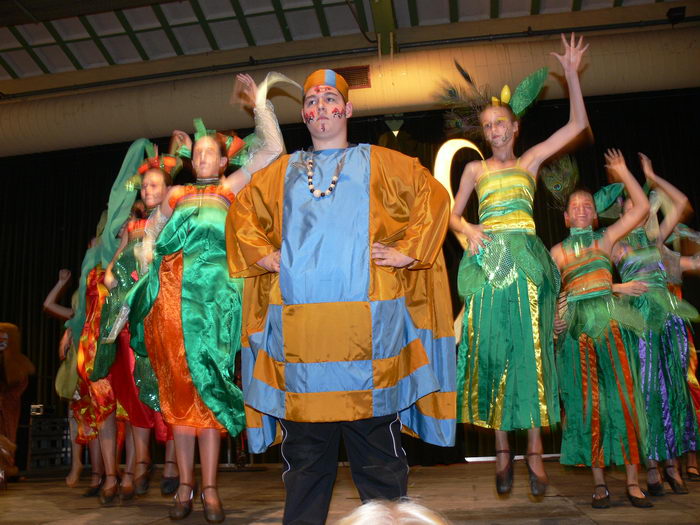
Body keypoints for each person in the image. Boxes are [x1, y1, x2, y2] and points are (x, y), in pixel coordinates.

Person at [226, 69, 455, 525]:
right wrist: (263, 256)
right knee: (306, 467)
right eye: (311, 100)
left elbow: (434, 197)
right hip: (300, 350)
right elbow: (242, 214)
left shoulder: (385, 164)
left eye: (330, 98)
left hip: (371, 347)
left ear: (347, 109)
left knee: (381, 467)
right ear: (305, 115)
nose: (319, 107)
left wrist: (408, 253)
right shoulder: (280, 173)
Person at [126, 73, 288, 523]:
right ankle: (184, 487)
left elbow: (273, 150)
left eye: (209, 153)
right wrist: (144, 287)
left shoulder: (228, 189)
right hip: (173, 307)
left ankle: (212, 489)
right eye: (195, 153)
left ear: (221, 163)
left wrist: (258, 103)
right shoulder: (175, 194)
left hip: (217, 307)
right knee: (180, 394)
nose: (201, 158)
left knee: (210, 392)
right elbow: (149, 245)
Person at [449, 33, 589, 496]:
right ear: (484, 133)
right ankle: (502, 449)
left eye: (501, 123)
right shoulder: (475, 170)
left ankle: (534, 453)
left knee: (530, 354)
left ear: (515, 127)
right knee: (494, 351)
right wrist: (467, 230)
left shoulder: (529, 162)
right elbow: (451, 215)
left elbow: (576, 126)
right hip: (491, 262)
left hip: (527, 261)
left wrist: (570, 74)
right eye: (488, 126)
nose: (495, 131)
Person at [549, 149, 651, 508]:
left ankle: (634, 482)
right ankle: (599, 484)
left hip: (610, 325)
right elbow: (545, 296)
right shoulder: (557, 252)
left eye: (587, 205)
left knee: (623, 400)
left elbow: (641, 209)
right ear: (565, 217)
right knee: (587, 404)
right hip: (577, 335)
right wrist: (555, 320)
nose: (580, 208)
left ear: (594, 214)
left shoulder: (605, 240)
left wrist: (624, 173)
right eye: (574, 205)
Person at [91, 155, 180, 502]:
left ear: (168, 189)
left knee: (169, 388)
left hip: (164, 315)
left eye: (154, 184)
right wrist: (115, 272)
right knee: (133, 387)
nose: (147, 189)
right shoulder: (133, 226)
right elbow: (115, 266)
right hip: (134, 317)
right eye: (145, 185)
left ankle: (172, 463)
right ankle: (141, 461)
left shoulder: (176, 219)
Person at [612, 153, 699, 496]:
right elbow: (590, 277)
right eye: (630, 206)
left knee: (675, 392)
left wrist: (651, 174)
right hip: (641, 322)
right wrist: (619, 287)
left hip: (670, 322)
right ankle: (651, 465)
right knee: (648, 392)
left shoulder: (656, 240)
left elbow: (681, 203)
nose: (638, 210)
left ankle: (673, 464)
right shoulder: (616, 244)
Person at [0, 323, 34, 480]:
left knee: (9, 436)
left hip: (9, 408)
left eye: (4, 336)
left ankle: (8, 470)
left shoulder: (18, 363)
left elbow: (20, 386)